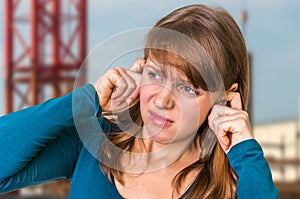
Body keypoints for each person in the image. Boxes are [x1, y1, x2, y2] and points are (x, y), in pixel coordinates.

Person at [0, 4, 278, 199]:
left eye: (188, 88)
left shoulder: (231, 184)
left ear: (226, 99)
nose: (163, 99)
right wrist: (87, 99)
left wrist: (245, 152)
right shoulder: (92, 145)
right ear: (139, 69)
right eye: (156, 74)